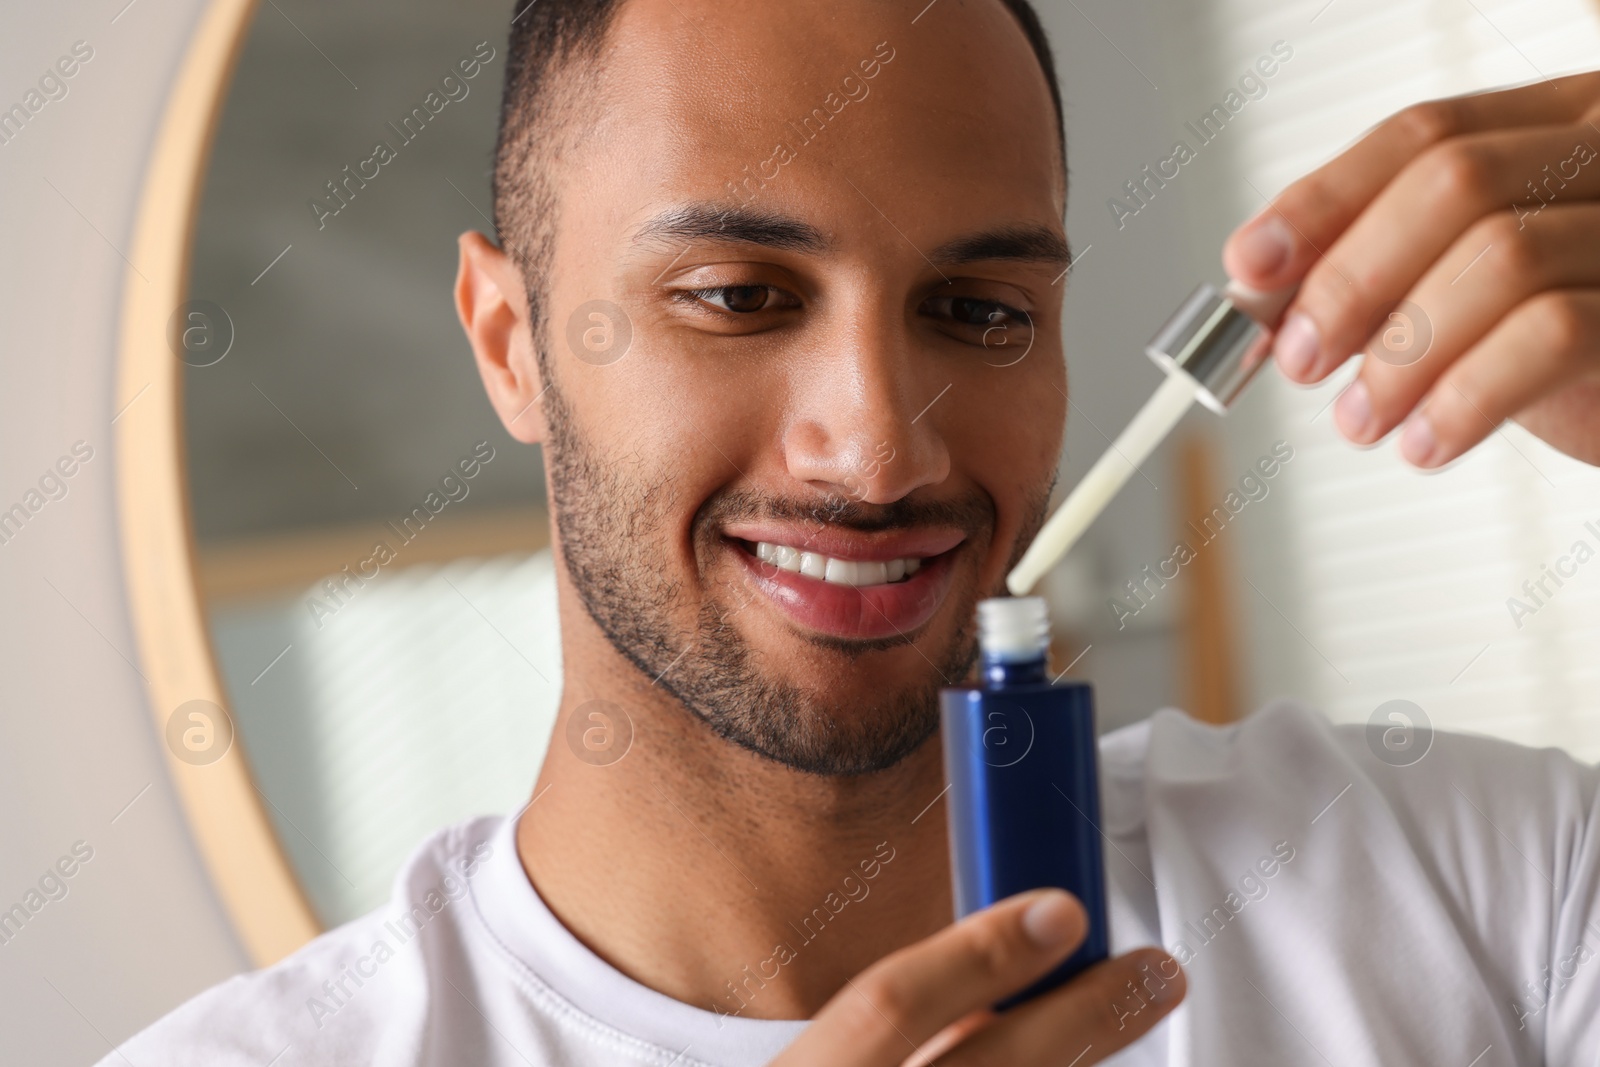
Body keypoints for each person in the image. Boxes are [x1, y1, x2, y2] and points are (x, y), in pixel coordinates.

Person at [106, 0, 1600, 1063]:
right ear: (510, 342)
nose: (882, 448)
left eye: (978, 311)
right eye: (739, 296)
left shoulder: (1479, 893)